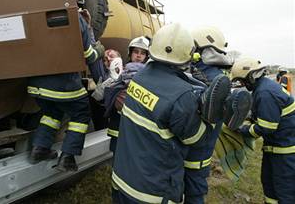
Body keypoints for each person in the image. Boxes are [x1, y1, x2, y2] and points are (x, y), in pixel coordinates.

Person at [111, 23, 231, 203]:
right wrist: (211, 116)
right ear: (188, 55)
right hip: (152, 193)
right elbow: (195, 139)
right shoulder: (182, 95)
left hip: (121, 180)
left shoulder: (138, 78)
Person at [27, 0, 105, 171]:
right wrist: (100, 50)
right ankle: (68, 157)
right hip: (63, 84)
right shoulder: (76, 18)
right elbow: (88, 54)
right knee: (81, 114)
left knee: (51, 113)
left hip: (36, 84)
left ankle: (39, 148)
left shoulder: (35, 14)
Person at [183, 26, 252, 204]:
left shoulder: (200, 74)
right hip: (203, 150)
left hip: (191, 150)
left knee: (191, 193)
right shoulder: (220, 75)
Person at [231, 57, 295, 203]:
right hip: (276, 150)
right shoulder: (263, 87)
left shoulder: (265, 93)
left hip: (286, 154)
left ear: (251, 77)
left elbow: (267, 127)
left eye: (242, 81)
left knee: (285, 193)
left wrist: (243, 129)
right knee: (270, 188)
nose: (242, 84)